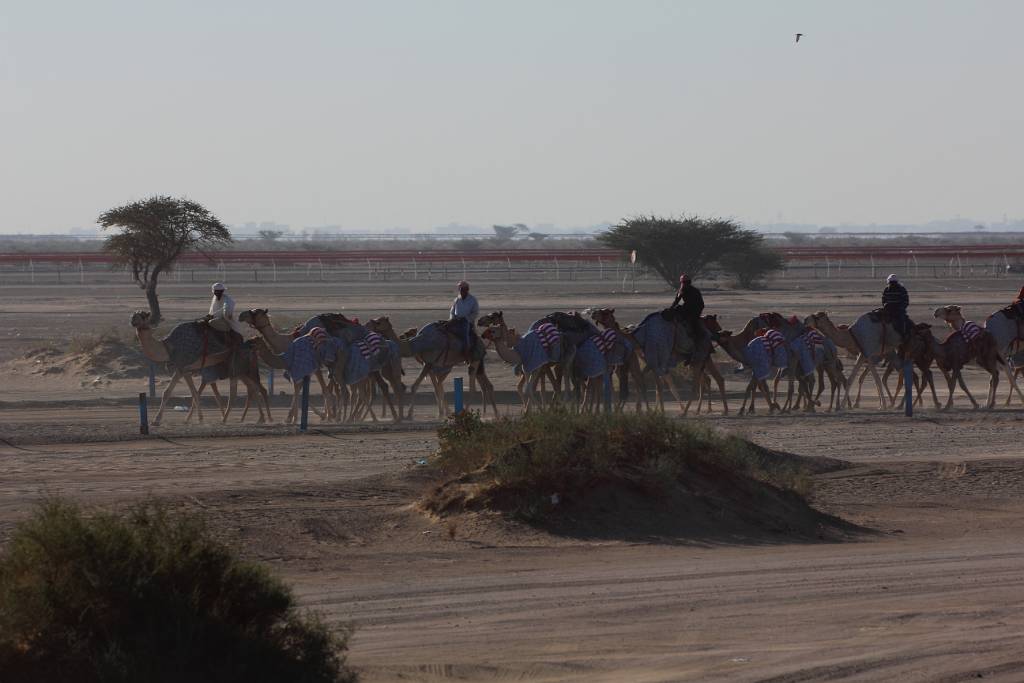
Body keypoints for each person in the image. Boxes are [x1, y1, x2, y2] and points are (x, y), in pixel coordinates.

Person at [670, 274, 705, 341]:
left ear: (689, 282)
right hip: (687, 308)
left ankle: (698, 335)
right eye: (683, 282)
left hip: (696, 308)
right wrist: (670, 309)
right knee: (676, 309)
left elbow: (700, 304)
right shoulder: (681, 290)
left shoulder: (695, 291)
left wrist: (696, 313)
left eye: (686, 282)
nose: (684, 284)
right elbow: (676, 301)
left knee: (693, 320)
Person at [449, 280, 480, 355]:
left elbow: (475, 313)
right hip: (456, 321)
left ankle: (466, 350)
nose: (460, 291)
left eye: (462, 289)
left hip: (467, 322)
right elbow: (452, 311)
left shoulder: (472, 300)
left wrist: (466, 319)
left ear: (467, 289)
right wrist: (452, 319)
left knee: (464, 331)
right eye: (459, 289)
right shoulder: (457, 300)